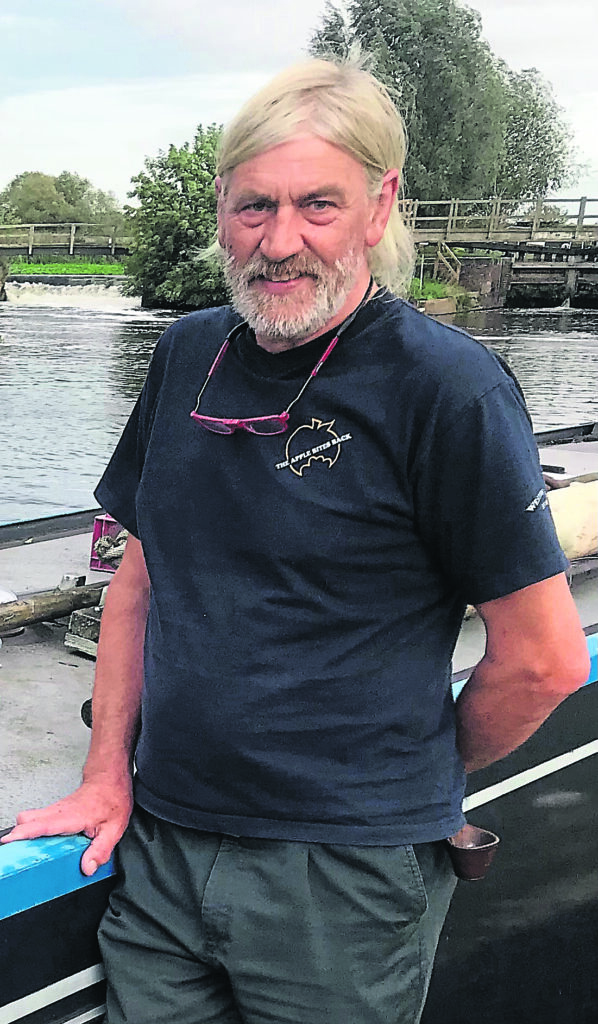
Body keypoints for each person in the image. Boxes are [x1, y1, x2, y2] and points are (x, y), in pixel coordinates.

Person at [2, 57, 589, 1024]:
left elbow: (545, 662)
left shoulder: (448, 389)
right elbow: (137, 586)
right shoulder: (187, 354)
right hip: (164, 848)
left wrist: (397, 788)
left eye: (318, 205)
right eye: (252, 208)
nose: (279, 243)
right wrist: (107, 775)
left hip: (346, 886)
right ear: (221, 208)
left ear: (379, 202)